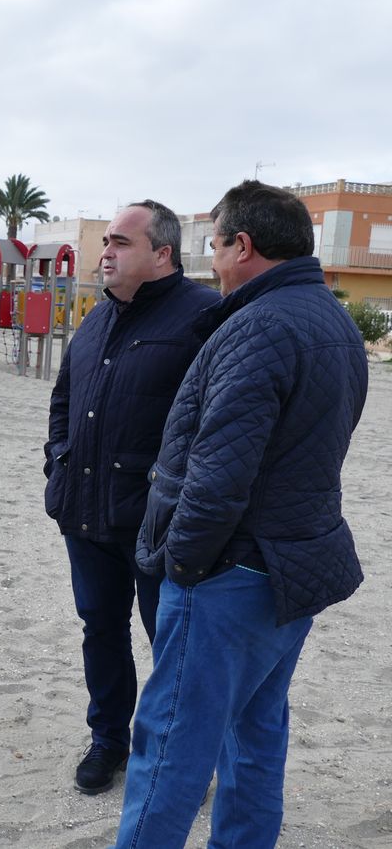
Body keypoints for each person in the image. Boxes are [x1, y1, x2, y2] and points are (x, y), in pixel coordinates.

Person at [114, 181, 368, 848]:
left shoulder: (259, 326)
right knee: (255, 736)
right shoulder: (332, 319)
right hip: (293, 565)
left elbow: (219, 476)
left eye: (215, 243)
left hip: (233, 572)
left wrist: (186, 566)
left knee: (170, 747)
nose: (213, 258)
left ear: (243, 245)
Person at [45, 200, 217, 795]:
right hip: (85, 512)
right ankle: (109, 742)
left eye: (120, 242)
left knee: (171, 644)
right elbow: (64, 399)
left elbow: (216, 423)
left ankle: (175, 755)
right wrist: (57, 464)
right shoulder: (98, 316)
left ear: (162, 253)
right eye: (106, 242)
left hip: (157, 523)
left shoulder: (205, 315)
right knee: (101, 629)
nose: (106, 252)